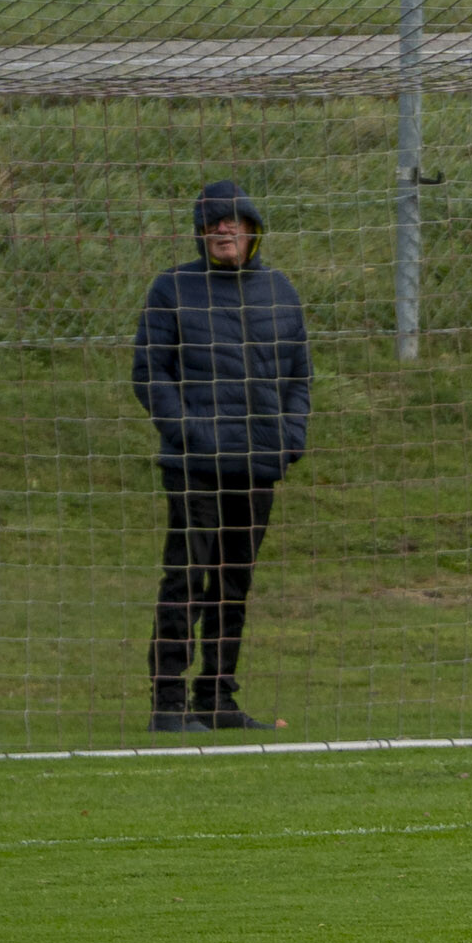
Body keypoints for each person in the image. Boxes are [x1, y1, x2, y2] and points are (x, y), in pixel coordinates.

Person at [132, 181, 311, 733]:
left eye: (233, 220)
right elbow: (149, 373)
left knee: (234, 585)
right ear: (200, 233)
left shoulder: (280, 291)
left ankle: (216, 698)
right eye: (212, 222)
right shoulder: (171, 289)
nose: (223, 229)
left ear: (253, 229)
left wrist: (290, 439)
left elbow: (299, 377)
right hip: (196, 467)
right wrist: (190, 434)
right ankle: (168, 704)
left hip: (258, 464)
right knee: (186, 579)